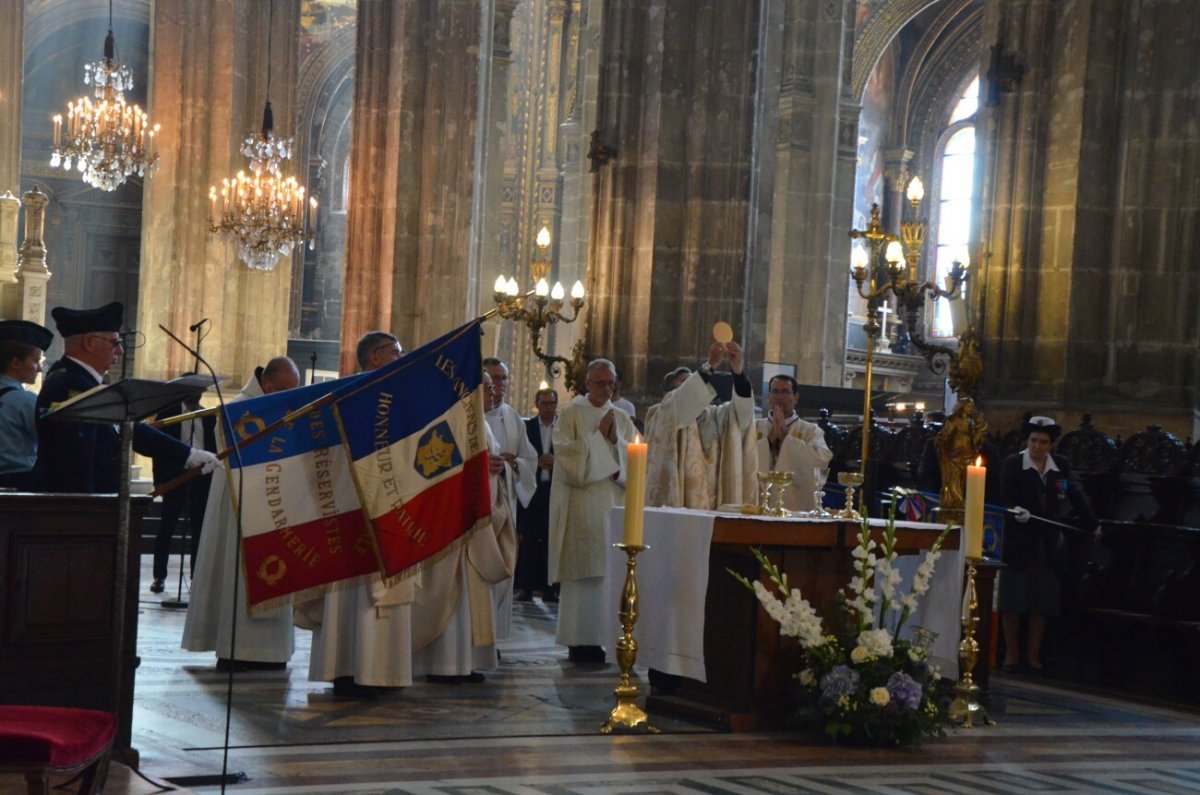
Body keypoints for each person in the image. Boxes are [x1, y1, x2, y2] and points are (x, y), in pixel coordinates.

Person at [299, 333, 413, 698]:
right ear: (376, 357)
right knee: (351, 589)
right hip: (352, 505)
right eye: (395, 352)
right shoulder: (345, 395)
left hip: (391, 501)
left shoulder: (399, 398)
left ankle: (383, 670)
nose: (400, 357)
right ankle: (347, 667)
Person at [182, 356, 301, 670]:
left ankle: (272, 653)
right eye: (285, 388)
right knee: (239, 576)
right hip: (242, 506)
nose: (289, 396)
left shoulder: (282, 408)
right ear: (267, 383)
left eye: (294, 390)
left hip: (275, 507)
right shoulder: (238, 408)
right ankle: (238, 649)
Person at [33, 302, 219, 493]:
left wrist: (189, 455)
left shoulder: (80, 381)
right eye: (115, 343)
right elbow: (77, 459)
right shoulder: (70, 385)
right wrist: (86, 507)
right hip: (78, 507)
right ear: (89, 343)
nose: (120, 351)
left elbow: (127, 427)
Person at [411, 367, 515, 684]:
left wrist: (498, 470)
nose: (494, 392)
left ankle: (465, 662)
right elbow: (435, 468)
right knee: (452, 593)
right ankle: (444, 664)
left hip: (479, 524)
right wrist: (485, 469)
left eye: (493, 387)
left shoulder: (480, 423)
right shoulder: (453, 423)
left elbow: (488, 468)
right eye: (485, 387)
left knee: (473, 596)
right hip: (456, 526)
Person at [548, 358, 638, 663]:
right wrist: (598, 437)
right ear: (588, 383)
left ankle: (604, 639)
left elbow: (636, 461)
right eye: (600, 383)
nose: (607, 389)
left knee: (607, 576)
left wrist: (616, 443)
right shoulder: (571, 414)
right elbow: (567, 459)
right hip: (580, 508)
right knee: (582, 576)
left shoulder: (623, 418)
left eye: (611, 383)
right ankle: (579, 640)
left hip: (613, 506)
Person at [999, 415, 1098, 674]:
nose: (1037, 446)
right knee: (1014, 597)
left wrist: (1092, 524)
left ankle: (1033, 656)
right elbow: (1002, 498)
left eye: (1043, 442)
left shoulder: (1061, 466)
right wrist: (1014, 510)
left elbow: (1075, 494)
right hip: (1019, 542)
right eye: (1033, 440)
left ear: (1051, 444)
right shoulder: (1013, 464)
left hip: (1049, 542)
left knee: (1041, 599)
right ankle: (1012, 654)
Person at [643, 342, 757, 510]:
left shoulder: (717, 415)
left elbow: (743, 413)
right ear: (669, 392)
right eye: (684, 384)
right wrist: (709, 366)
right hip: (679, 504)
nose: (698, 386)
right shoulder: (661, 413)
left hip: (714, 504)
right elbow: (680, 403)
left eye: (697, 381)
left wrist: (738, 372)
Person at [482, 357, 537, 639]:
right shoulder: (468, 417)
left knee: (504, 568)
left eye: (503, 379)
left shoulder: (513, 417)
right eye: (494, 380)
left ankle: (496, 637)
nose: (499, 387)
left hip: (506, 507)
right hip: (480, 511)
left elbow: (530, 459)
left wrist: (513, 465)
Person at [150, 389, 218, 593]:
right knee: (167, 528)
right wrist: (159, 482)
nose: (195, 396)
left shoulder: (208, 417)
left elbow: (214, 448)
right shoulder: (167, 415)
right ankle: (159, 577)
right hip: (175, 478)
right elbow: (157, 451)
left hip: (201, 479)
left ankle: (195, 577)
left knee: (199, 529)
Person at [754, 375, 833, 512]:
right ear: (769, 397)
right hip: (758, 501)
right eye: (775, 391)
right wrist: (769, 440)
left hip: (796, 505)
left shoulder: (811, 431)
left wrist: (787, 438)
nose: (779, 397)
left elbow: (821, 459)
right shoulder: (754, 427)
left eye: (785, 392)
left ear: (796, 398)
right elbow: (742, 458)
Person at [515, 387, 558, 602]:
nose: (548, 408)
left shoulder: (563, 428)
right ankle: (526, 587)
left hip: (555, 491)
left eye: (552, 404)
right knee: (529, 539)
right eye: (544, 404)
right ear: (537, 405)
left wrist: (556, 463)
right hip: (533, 490)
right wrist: (535, 463)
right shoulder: (527, 427)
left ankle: (550, 588)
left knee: (552, 540)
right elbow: (521, 454)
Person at [0, 320, 53, 490]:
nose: (38, 369)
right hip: (18, 483)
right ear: (15, 363)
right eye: (36, 360)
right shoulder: (25, 401)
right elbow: (51, 441)